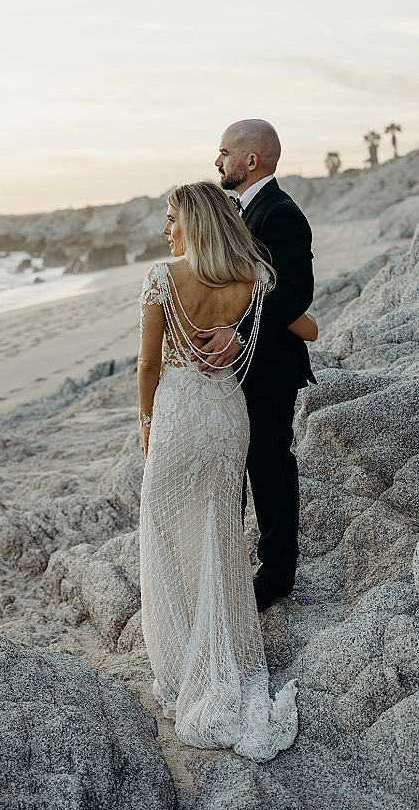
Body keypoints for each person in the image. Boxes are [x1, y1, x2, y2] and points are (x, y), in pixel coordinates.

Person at [138, 181, 316, 759]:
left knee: (165, 526)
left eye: (171, 217)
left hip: (179, 411)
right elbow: (308, 326)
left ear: (192, 221)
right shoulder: (254, 282)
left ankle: (181, 651)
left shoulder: (163, 279)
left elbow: (147, 363)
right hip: (226, 412)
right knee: (219, 527)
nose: (166, 228)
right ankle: (228, 648)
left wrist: (145, 422)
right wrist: (246, 329)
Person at [198, 119, 316, 613]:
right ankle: (234, 565)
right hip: (240, 366)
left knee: (269, 465)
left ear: (252, 160)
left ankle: (277, 575)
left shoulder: (280, 214)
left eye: (224, 152)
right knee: (240, 465)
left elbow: (295, 293)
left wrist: (239, 332)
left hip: (269, 368)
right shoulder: (243, 212)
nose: (217, 161)